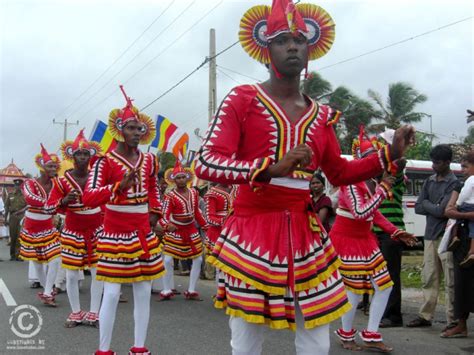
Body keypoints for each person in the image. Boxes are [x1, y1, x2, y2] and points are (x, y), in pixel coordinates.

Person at [194, 1, 415, 353]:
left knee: (315, 331)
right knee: (248, 335)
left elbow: (340, 172)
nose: (293, 46)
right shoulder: (243, 99)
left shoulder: (321, 115)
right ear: (266, 49)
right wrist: (269, 169)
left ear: (311, 49)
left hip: (305, 233)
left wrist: (388, 155)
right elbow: (205, 163)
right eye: (282, 39)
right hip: (254, 229)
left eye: (299, 40)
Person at [83, 86, 164, 355]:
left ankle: (139, 347)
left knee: (143, 291)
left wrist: (155, 213)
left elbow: (154, 189)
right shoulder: (103, 163)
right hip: (115, 234)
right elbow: (89, 197)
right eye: (131, 128)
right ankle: (104, 349)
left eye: (140, 129)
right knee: (114, 293)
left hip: (142, 232)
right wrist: (117, 187)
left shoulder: (150, 160)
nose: (136, 134)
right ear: (119, 129)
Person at [330, 130, 416, 352]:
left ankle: (371, 333)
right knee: (354, 291)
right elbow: (360, 212)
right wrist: (382, 189)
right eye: (373, 158)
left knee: (384, 285)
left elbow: (374, 214)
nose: (378, 163)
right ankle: (347, 334)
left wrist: (395, 231)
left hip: (365, 240)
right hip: (347, 240)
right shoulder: (351, 183)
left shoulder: (369, 182)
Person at [47, 130, 104, 328]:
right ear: (72, 157)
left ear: (91, 157)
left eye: (85, 154)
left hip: (97, 229)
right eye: (79, 154)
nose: (82, 157)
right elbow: (49, 206)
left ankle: (94, 312)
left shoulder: (98, 178)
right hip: (72, 230)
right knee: (71, 273)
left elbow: (108, 199)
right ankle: (75, 312)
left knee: (98, 272)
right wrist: (63, 201)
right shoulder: (61, 181)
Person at [408, 145, 458, 329]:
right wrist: (433, 205)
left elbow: (442, 210)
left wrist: (430, 204)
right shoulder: (429, 181)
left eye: (437, 162)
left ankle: (453, 319)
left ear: (447, 162)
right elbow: (418, 207)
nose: (433, 166)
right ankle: (425, 315)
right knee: (428, 277)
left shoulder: (453, 183)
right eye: (433, 162)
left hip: (446, 237)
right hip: (429, 235)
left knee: (450, 280)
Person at [159, 160, 208, 301]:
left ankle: (191, 290)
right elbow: (163, 215)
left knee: (198, 259)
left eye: (183, 177)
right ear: (173, 180)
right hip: (176, 231)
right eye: (178, 178)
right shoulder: (170, 196)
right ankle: (167, 290)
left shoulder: (194, 193)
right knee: (167, 260)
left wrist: (206, 226)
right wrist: (167, 225)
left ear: (187, 178)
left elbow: (197, 213)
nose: (181, 180)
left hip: (191, 229)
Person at [20, 145, 61, 306]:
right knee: (36, 261)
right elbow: (30, 199)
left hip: (48, 226)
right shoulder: (29, 183)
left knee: (55, 259)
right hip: (31, 227)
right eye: (50, 166)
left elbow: (61, 201)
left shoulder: (57, 184)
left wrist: (56, 205)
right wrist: (52, 204)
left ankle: (47, 291)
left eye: (54, 166)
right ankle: (48, 291)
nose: (53, 168)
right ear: (42, 167)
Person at [441, 152, 474, 338]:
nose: (462, 170)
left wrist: (459, 213)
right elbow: (449, 210)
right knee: (461, 282)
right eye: (461, 166)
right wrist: (463, 215)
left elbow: (454, 210)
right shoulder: (460, 185)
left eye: (466, 166)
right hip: (462, 239)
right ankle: (461, 325)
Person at [374, 169, 407, 328]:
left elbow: (399, 168)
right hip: (376, 234)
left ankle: (393, 315)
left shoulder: (396, 183)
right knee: (379, 274)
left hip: (392, 234)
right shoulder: (376, 187)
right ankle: (382, 311)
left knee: (391, 274)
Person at [453, 151, 474, 267]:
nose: (462, 170)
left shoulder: (470, 180)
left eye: (465, 166)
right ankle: (472, 252)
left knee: (455, 221)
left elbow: (464, 194)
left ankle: (454, 237)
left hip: (466, 206)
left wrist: (458, 204)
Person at [4, 178, 27, 261]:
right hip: (12, 217)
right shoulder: (10, 195)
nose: (17, 187)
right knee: (13, 236)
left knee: (19, 237)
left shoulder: (25, 195)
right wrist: (5, 219)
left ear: (21, 186)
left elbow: (28, 206)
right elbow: (6, 207)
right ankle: (12, 255)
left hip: (22, 217)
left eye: (19, 185)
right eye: (16, 185)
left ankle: (19, 255)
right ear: (14, 186)